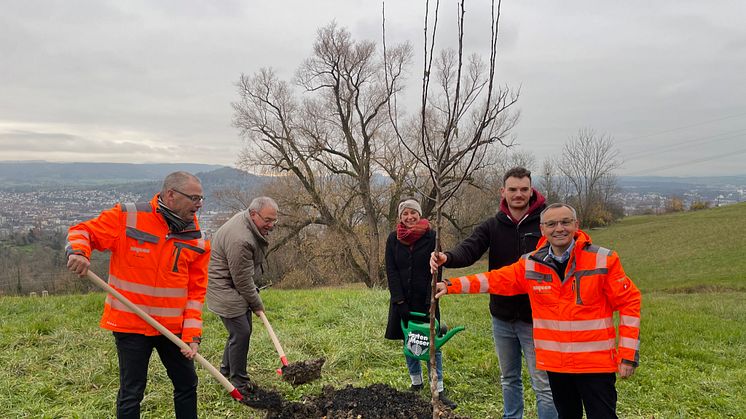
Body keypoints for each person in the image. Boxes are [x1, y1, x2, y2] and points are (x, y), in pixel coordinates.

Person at [435, 203, 641, 419]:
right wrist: (450, 285)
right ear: (542, 229)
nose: (559, 228)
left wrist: (627, 355)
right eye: (551, 224)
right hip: (557, 365)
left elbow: (629, 302)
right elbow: (495, 279)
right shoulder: (532, 264)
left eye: (565, 222)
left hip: (595, 366)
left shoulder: (603, 260)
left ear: (576, 225)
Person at [66, 171, 210, 419]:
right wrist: (79, 252)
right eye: (194, 197)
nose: (199, 204)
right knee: (132, 391)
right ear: (171, 195)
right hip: (131, 325)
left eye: (201, 198)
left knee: (187, 383)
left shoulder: (197, 239)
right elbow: (83, 231)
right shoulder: (128, 216)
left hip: (172, 328)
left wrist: (192, 335)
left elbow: (196, 292)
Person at [430, 166, 557, 419]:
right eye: (513, 189)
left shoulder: (546, 222)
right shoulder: (493, 225)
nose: (518, 194)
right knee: (509, 378)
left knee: (544, 385)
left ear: (531, 190)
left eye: (523, 189)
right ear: (503, 191)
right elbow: (470, 249)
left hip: (538, 318)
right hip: (502, 316)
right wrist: (447, 257)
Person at [384, 198, 457, 409]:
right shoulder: (393, 239)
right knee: (410, 341)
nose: (409, 217)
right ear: (400, 217)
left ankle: (439, 389)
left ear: (419, 214)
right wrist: (399, 300)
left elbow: (436, 271)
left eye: (412, 213)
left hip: (427, 299)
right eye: (405, 214)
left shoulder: (432, 237)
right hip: (402, 301)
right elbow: (391, 270)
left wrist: (430, 300)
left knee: (433, 344)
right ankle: (416, 383)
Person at [206, 196, 278, 394]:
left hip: (232, 287)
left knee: (239, 331)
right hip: (225, 290)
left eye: (274, 220)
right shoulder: (241, 239)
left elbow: (243, 277)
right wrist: (257, 304)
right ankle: (239, 382)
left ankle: (226, 370)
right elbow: (243, 281)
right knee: (241, 332)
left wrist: (251, 298)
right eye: (267, 220)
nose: (271, 225)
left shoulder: (247, 222)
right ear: (254, 214)